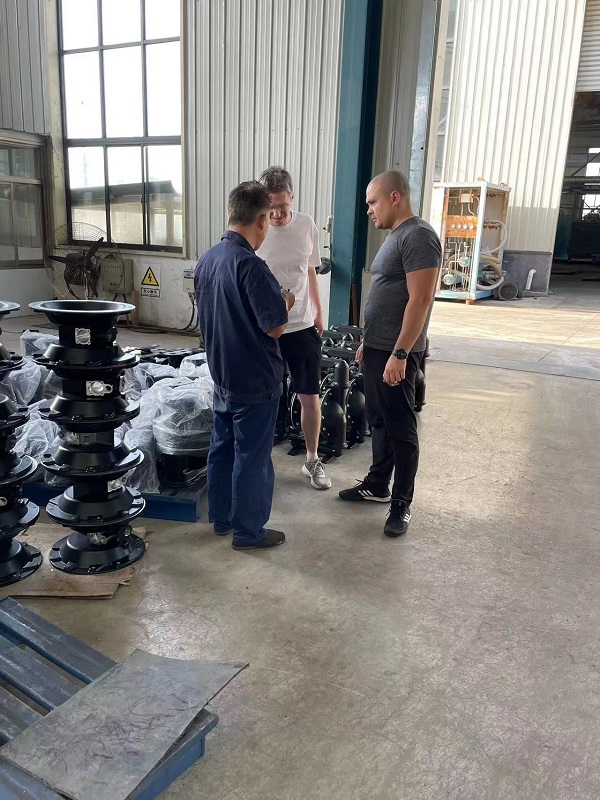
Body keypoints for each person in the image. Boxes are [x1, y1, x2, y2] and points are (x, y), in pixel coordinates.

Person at [339, 171, 441, 538]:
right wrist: (369, 342)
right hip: (379, 347)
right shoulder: (397, 236)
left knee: (401, 428)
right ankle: (378, 484)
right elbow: (388, 294)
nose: (369, 210)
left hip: (398, 352)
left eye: (373, 202)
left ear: (395, 198)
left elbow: (421, 299)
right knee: (379, 421)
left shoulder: (419, 236)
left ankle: (401, 503)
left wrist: (400, 353)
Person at [194, 181, 295, 551]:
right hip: (255, 379)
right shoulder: (250, 265)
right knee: (253, 457)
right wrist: (285, 300)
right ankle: (249, 532)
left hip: (223, 374)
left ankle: (222, 518)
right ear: (262, 220)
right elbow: (275, 326)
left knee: (222, 449)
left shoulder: (208, 259)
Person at [256, 166, 331, 490]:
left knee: (310, 397)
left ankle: (312, 459)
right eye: (271, 207)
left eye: (283, 207)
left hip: (301, 325)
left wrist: (318, 311)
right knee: (263, 399)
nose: (276, 214)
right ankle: (259, 465)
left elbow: (310, 270)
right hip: (265, 328)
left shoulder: (306, 225)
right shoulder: (255, 227)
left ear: (292, 198)